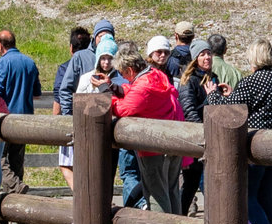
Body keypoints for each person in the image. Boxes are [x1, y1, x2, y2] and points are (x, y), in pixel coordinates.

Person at [110, 46, 187, 212]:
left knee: (156, 194)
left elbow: (123, 109)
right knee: (172, 191)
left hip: (153, 148)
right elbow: (134, 93)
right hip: (173, 142)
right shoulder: (156, 75)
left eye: (123, 75)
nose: (124, 79)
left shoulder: (143, 87)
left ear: (129, 70)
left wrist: (106, 94)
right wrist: (113, 87)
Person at [232, 41, 272, 224]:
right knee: (266, 196)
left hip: (255, 146)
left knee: (247, 195)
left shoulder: (251, 81)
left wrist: (213, 93)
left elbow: (230, 107)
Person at [0, 29, 40, 193]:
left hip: (7, 119)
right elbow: (37, 93)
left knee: (1, 159)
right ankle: (17, 208)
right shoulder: (29, 62)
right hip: (25, 118)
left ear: (0, 45)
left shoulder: (3, 63)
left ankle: (15, 187)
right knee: (17, 162)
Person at [52, 24, 94, 176]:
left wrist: (56, 120)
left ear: (71, 47)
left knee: (66, 164)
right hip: (94, 119)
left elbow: (59, 94)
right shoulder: (97, 61)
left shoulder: (65, 68)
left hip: (71, 119)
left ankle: (82, 196)